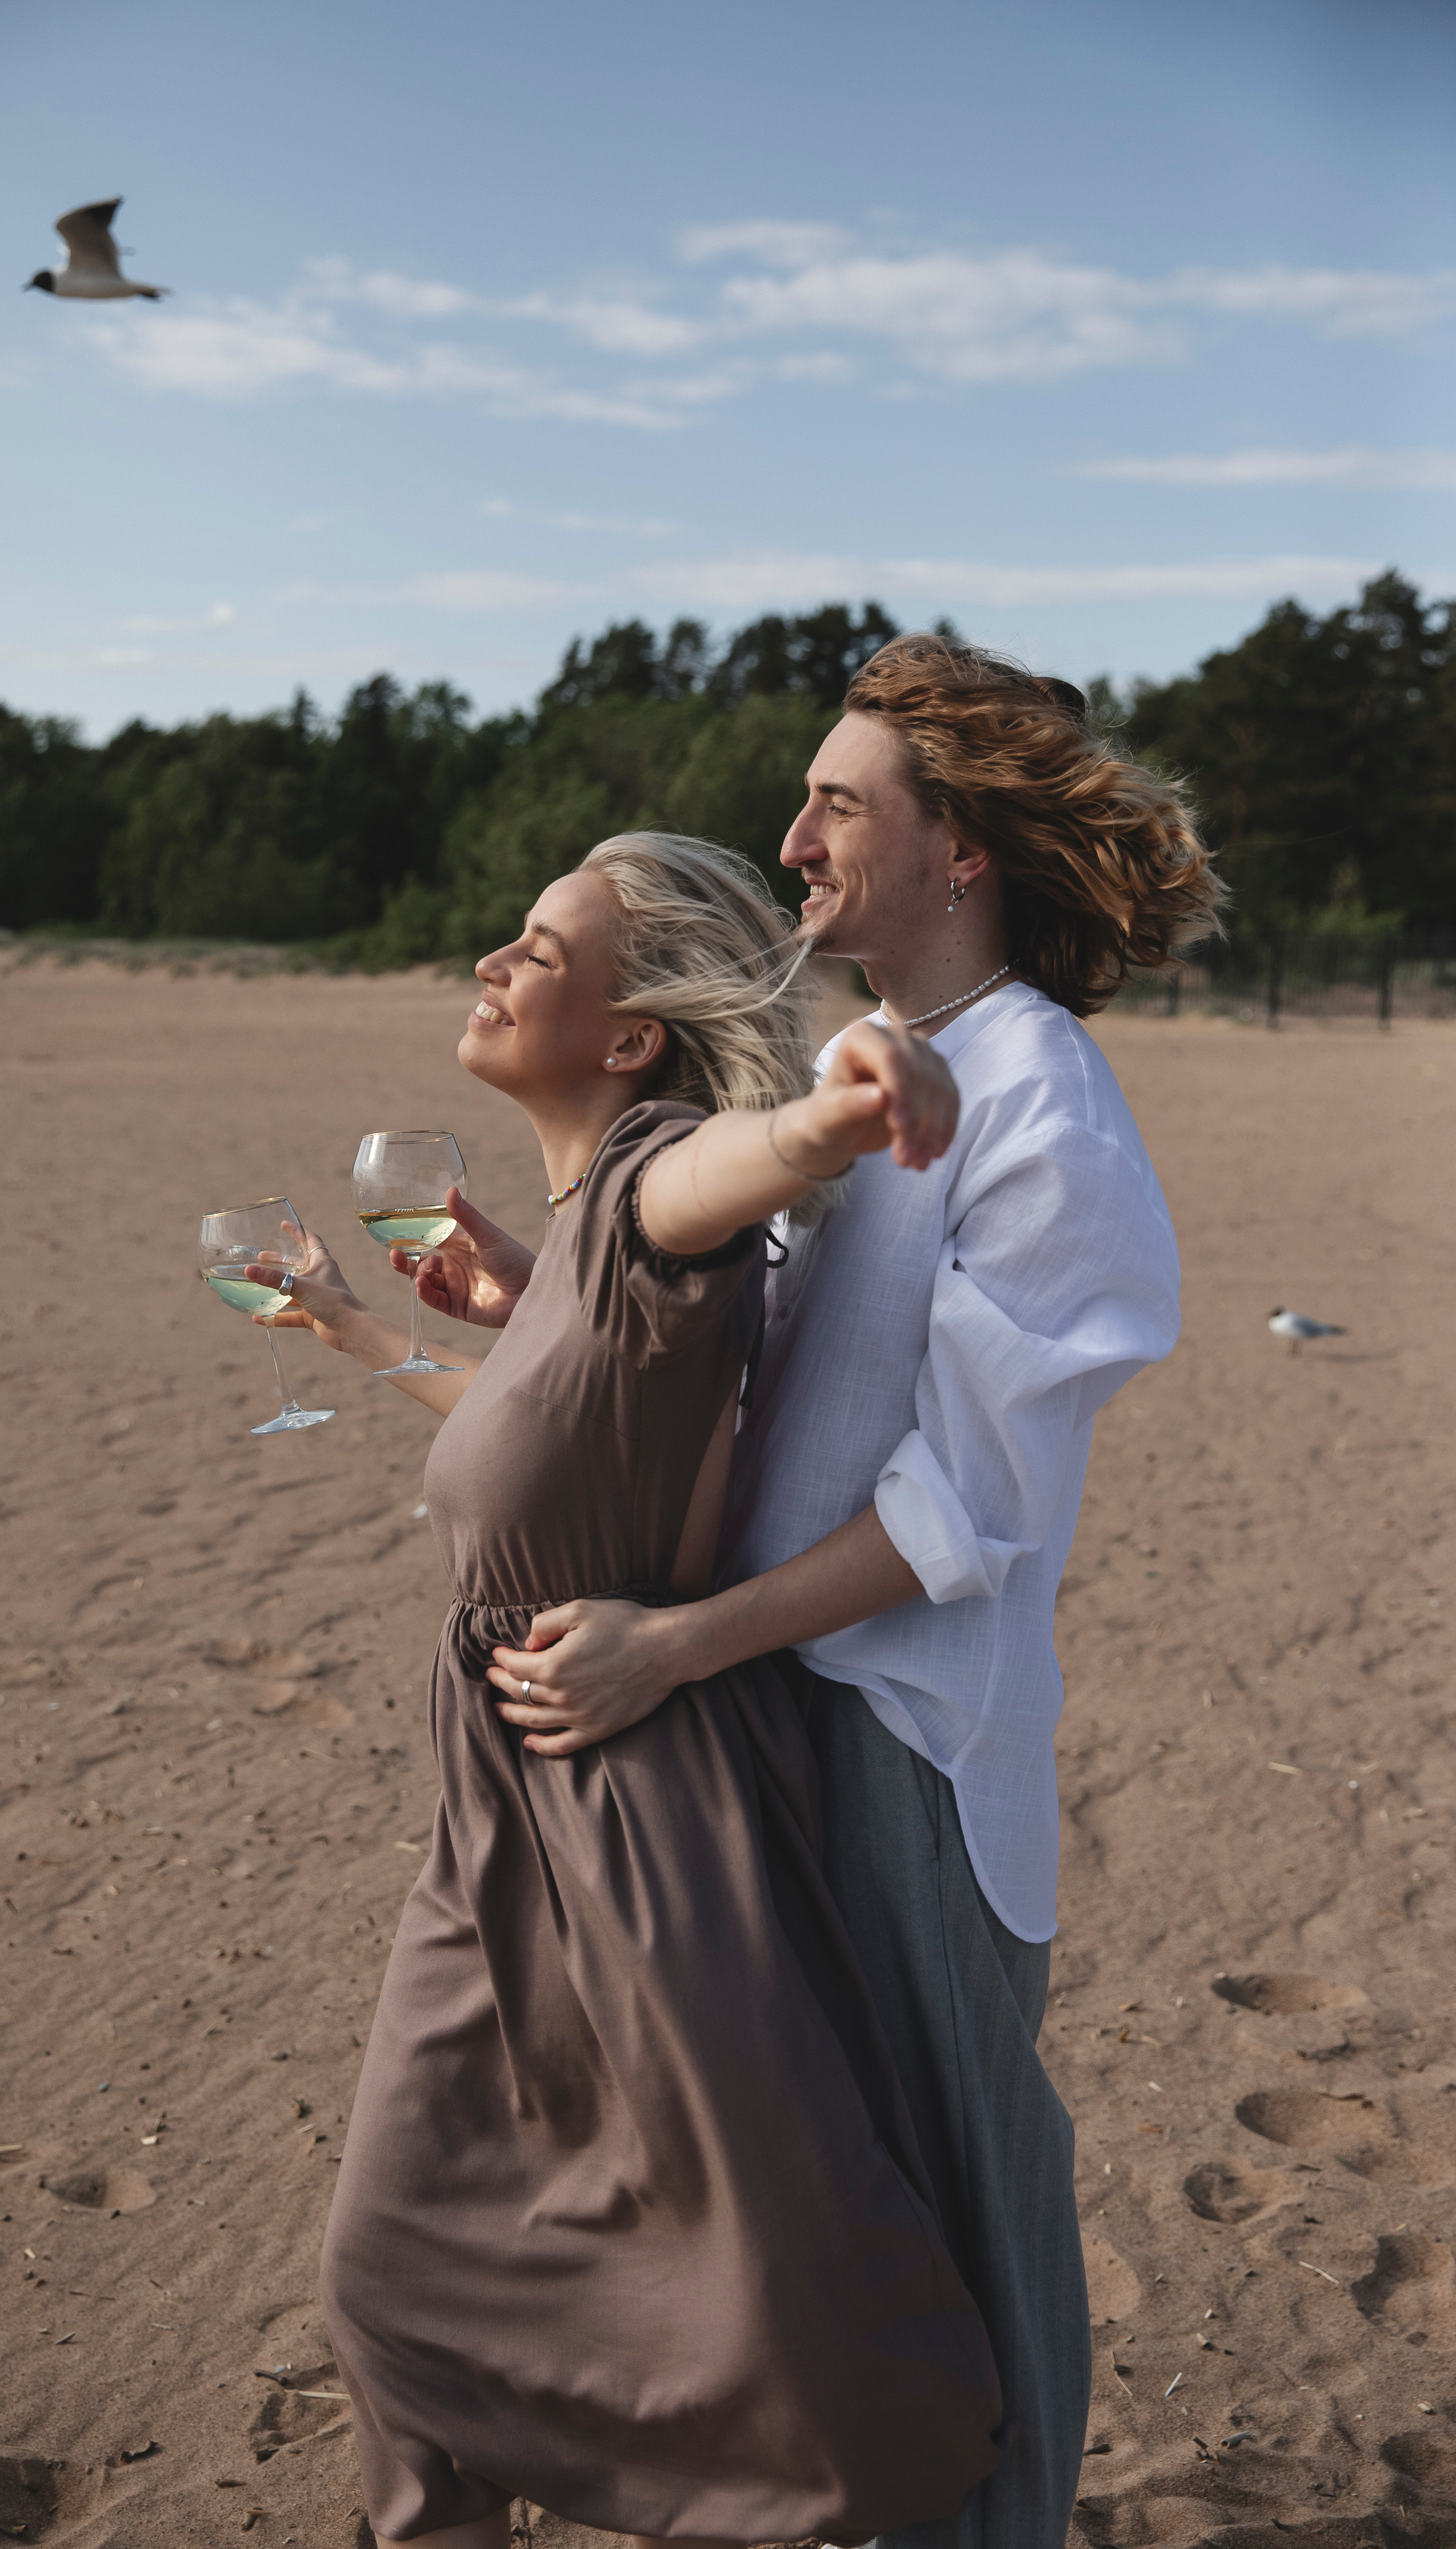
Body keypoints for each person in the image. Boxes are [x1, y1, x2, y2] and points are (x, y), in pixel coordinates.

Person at [411, 637, 1223, 2549]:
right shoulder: (866, 1092)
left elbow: (966, 1517)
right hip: (770, 1721)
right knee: (828, 2212)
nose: (791, 840)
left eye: (838, 805)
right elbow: (788, 1387)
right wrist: (542, 1297)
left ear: (964, 853)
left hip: (908, 1748)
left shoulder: (1045, 1105)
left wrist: (676, 1642)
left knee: (954, 2186)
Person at [248, 831, 1003, 2549]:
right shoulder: (582, 1232)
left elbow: (749, 1159)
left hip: (629, 1806)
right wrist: (360, 1336)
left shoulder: (660, 1180)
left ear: (630, 1035)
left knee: (751, 2290)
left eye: (537, 949)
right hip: (499, 1813)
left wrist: (839, 1106)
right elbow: (537, 1441)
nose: (494, 966)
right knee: (407, 2274)